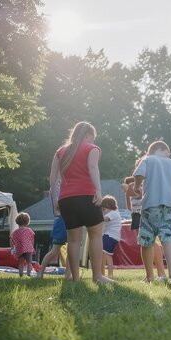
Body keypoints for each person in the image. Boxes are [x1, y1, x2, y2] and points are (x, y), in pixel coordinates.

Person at [49, 121, 113, 283]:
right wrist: (98, 190)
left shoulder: (60, 151)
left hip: (66, 200)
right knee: (96, 236)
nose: (93, 140)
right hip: (87, 196)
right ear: (88, 135)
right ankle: (97, 276)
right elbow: (92, 168)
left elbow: (52, 179)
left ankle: (75, 278)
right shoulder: (92, 148)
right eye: (92, 137)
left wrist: (56, 199)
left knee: (73, 240)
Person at [133, 140, 171, 284]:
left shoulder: (147, 160)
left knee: (147, 240)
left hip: (151, 205)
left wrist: (137, 187)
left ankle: (150, 275)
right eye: (168, 152)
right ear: (162, 149)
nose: (169, 155)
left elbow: (138, 174)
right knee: (169, 236)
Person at [122, 176, 167, 280]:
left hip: (140, 214)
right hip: (144, 213)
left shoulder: (132, 186)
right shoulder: (145, 184)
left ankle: (158, 273)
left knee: (149, 242)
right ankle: (159, 273)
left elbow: (129, 205)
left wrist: (128, 191)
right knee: (151, 242)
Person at [36, 211, 70, 279]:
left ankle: (68, 275)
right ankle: (40, 272)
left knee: (68, 252)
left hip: (63, 224)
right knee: (56, 251)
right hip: (64, 225)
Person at [100, 195, 122, 280]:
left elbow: (104, 219)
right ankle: (102, 273)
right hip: (111, 236)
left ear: (108, 207)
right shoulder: (114, 213)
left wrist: (94, 217)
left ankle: (110, 275)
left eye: (103, 209)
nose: (103, 211)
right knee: (103, 255)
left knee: (108, 255)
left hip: (110, 236)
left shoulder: (113, 213)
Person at [10, 212, 35, 277]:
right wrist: (32, 247)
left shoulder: (15, 232)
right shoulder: (29, 230)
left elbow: (11, 239)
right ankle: (29, 274)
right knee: (29, 262)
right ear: (27, 221)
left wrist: (12, 248)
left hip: (20, 249)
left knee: (20, 262)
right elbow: (32, 238)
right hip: (28, 249)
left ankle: (21, 274)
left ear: (17, 222)